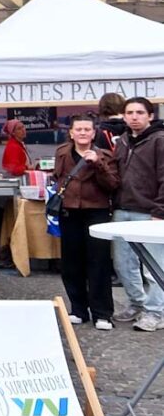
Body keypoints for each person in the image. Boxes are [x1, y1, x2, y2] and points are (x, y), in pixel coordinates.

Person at [53, 116, 119, 329]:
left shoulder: (105, 155)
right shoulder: (62, 152)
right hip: (70, 211)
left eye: (87, 129)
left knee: (98, 263)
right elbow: (58, 177)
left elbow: (112, 184)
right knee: (71, 263)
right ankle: (78, 309)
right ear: (71, 133)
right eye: (78, 129)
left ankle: (102, 313)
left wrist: (98, 164)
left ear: (93, 133)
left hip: (96, 212)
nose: (82, 133)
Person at [112, 97, 164, 331]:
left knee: (153, 268)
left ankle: (156, 312)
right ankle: (137, 303)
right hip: (123, 210)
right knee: (124, 264)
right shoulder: (122, 141)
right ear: (123, 116)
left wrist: (160, 210)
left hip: (149, 212)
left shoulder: (159, 140)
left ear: (150, 116)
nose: (134, 116)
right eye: (129, 112)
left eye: (140, 112)